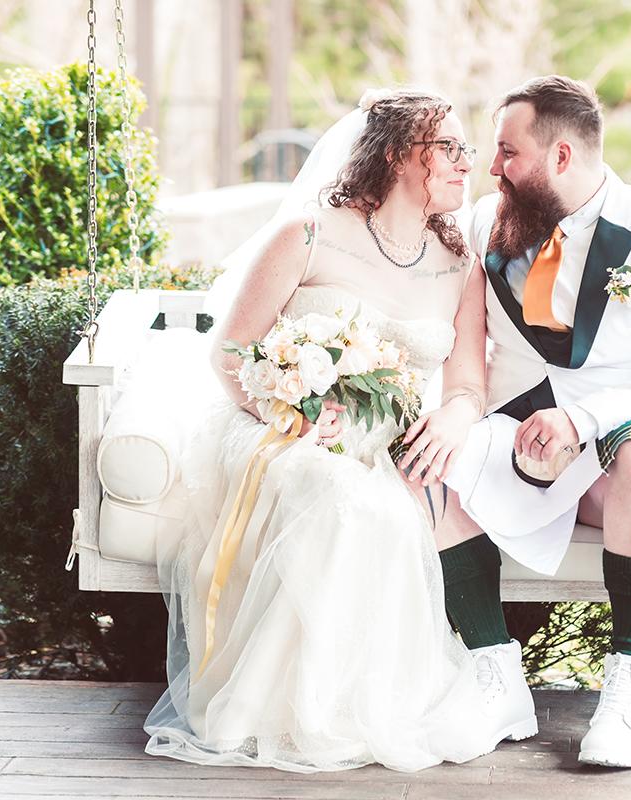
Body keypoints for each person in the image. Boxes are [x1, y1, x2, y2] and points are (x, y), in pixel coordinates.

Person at [143, 88, 512, 773]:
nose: (469, 162)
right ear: (398, 156)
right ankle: (287, 711)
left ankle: (359, 702)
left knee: (386, 496)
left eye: (467, 148)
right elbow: (230, 354)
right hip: (280, 435)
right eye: (450, 148)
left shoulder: (460, 263)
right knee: (345, 498)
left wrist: (454, 417)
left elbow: (467, 384)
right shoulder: (308, 234)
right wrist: (291, 411)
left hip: (385, 445)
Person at [435, 75, 631, 769]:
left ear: (562, 156)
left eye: (508, 152)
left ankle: (629, 695)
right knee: (431, 460)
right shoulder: (485, 223)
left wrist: (583, 418)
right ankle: (495, 678)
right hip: (515, 431)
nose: (493, 168)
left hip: (621, 434)